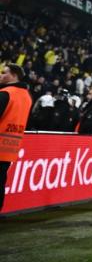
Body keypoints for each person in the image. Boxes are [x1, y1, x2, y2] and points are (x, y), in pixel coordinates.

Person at [0, 63, 31, 212]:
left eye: (4, 72)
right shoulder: (27, 97)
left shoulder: (6, 93)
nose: (1, 75)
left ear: (14, 75)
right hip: (10, 148)